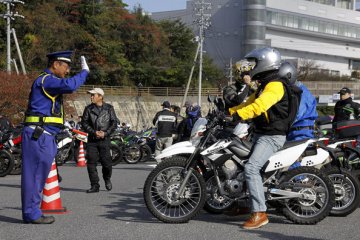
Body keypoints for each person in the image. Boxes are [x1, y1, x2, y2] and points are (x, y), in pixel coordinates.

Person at [21, 51, 89, 224]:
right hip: (40, 134)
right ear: (56, 64)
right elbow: (70, 85)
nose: (67, 71)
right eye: (66, 66)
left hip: (44, 134)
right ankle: (32, 214)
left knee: (37, 175)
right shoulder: (47, 80)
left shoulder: (47, 81)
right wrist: (84, 72)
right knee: (35, 176)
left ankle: (32, 211)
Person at [229, 47, 290, 229]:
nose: (250, 67)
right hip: (262, 133)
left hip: (272, 136)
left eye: (253, 64)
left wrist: (237, 117)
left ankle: (260, 213)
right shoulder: (264, 85)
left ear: (265, 63)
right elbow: (248, 103)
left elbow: (259, 107)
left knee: (251, 168)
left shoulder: (276, 86)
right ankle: (244, 204)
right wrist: (227, 112)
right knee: (242, 165)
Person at [81, 88, 118, 193]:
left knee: (107, 164)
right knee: (91, 163)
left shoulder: (109, 108)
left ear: (100, 96)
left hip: (105, 139)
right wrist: (94, 132)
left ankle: (107, 178)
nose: (91, 97)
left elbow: (114, 123)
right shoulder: (88, 109)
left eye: (93, 95)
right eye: (91, 95)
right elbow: (84, 123)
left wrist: (105, 133)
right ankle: (94, 185)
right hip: (92, 140)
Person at [277, 62, 318, 141]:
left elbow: (296, 114)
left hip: (301, 134)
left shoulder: (302, 93)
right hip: (294, 133)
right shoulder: (293, 91)